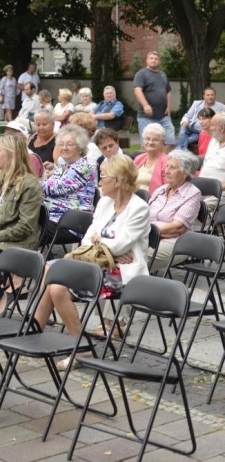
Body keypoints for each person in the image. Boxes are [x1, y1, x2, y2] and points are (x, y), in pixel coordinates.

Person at [34, 155, 149, 367]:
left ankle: (41, 334)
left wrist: (104, 244)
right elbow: (88, 237)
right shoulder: (105, 202)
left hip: (121, 273)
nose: (99, 182)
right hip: (96, 264)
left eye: (103, 176)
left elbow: (120, 246)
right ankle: (76, 343)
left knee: (56, 283)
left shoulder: (139, 208)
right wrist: (105, 245)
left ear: (117, 180)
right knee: (52, 272)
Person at [148, 150, 202, 272]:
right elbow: (143, 216)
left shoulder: (192, 194)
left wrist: (145, 231)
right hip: (148, 237)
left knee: (136, 256)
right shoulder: (161, 190)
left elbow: (177, 228)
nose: (166, 171)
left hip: (175, 243)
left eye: (172, 168)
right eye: (167, 166)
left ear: (185, 173)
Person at [40, 125, 97, 241]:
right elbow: (46, 189)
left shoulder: (82, 168)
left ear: (80, 147)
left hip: (72, 225)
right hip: (53, 218)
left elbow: (55, 189)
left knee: (27, 226)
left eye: (70, 144)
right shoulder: (62, 167)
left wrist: (30, 182)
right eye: (61, 144)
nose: (64, 148)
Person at [0, 134, 43, 251]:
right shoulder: (3, 178)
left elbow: (25, 227)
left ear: (11, 155)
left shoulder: (29, 185)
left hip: (15, 243)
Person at [133, 51, 175, 150]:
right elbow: (137, 90)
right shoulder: (141, 73)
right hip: (146, 116)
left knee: (170, 140)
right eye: (151, 58)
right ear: (147, 60)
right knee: (147, 144)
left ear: (159, 61)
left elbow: (168, 91)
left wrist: (169, 107)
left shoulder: (163, 74)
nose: (154, 60)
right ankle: (146, 164)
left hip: (163, 116)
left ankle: (162, 162)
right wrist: (145, 105)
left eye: (156, 59)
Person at [133, 123, 168, 195]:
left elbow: (167, 188)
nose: (150, 142)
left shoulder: (167, 162)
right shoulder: (139, 158)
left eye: (155, 140)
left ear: (162, 143)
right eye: (148, 139)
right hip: (132, 197)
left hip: (153, 200)